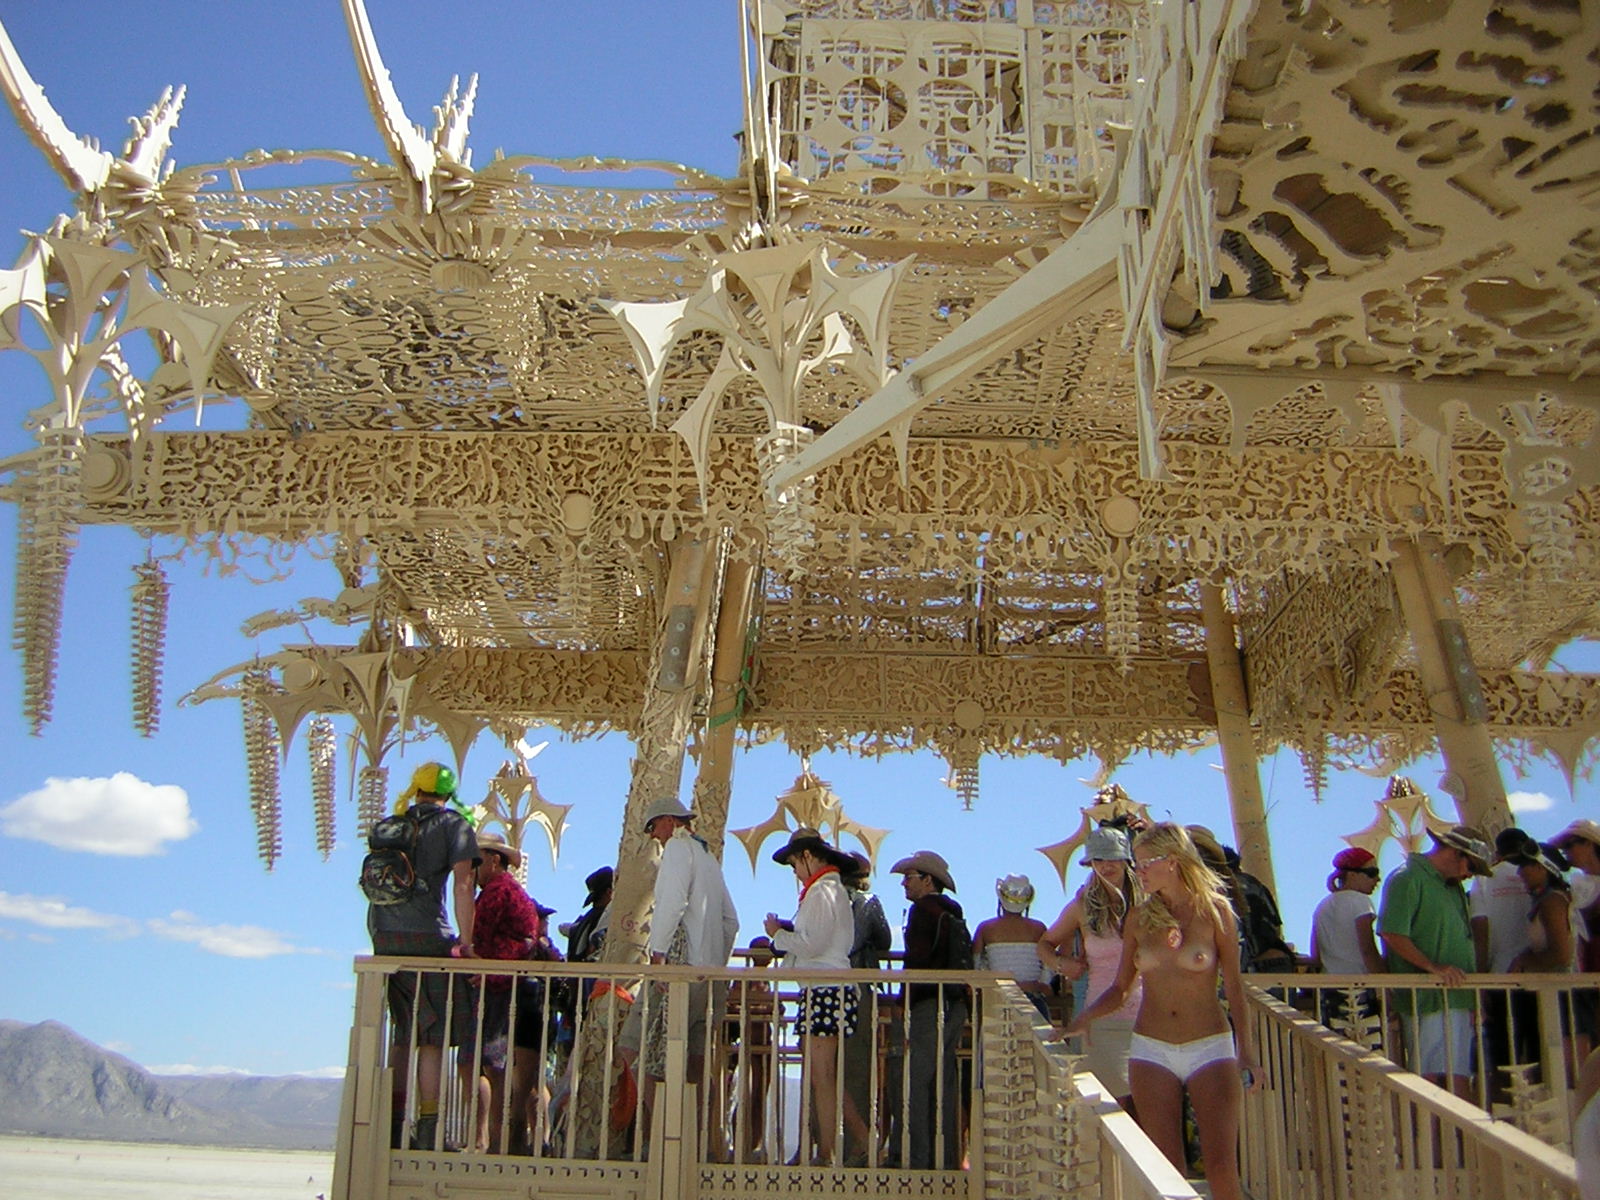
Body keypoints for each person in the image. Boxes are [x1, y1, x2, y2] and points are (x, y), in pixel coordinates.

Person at [1066, 822, 1260, 1200]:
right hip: (1151, 1048)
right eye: (1136, 864)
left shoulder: (1215, 911)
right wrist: (1083, 1019)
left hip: (1210, 1044)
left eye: (1144, 863)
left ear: (1172, 861)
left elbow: (1235, 987)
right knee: (1165, 1169)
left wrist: (1247, 1051)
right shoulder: (1139, 918)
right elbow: (1121, 988)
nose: (1138, 872)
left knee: (1221, 1167)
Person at [366, 762, 480, 1151]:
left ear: (416, 789)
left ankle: (394, 1124)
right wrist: (467, 943)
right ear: (448, 793)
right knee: (431, 1037)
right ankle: (429, 1130)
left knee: (403, 1033)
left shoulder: (393, 825)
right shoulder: (454, 825)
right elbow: (463, 886)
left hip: (383, 934)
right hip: (427, 936)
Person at [620, 797, 739, 1147]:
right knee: (695, 1062)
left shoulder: (677, 848)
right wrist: (714, 961)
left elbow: (671, 903)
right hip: (709, 975)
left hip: (678, 969)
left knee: (639, 1052)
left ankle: (664, 1143)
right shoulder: (707, 857)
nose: (653, 836)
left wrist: (658, 956)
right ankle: (699, 1143)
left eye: (653, 827)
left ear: (669, 822)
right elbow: (731, 921)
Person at [765, 827, 871, 1165]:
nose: (795, 872)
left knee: (822, 1075)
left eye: (795, 863)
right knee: (823, 1075)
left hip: (826, 987)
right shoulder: (829, 890)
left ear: (808, 857)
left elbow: (812, 944)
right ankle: (857, 1140)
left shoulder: (823, 891)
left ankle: (830, 1150)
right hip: (825, 987)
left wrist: (778, 935)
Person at [1376, 823, 1492, 1101]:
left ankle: (1458, 1131)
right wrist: (1433, 968)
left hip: (1458, 997)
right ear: (1455, 852)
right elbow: (1392, 932)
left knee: (1458, 1078)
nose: (1469, 875)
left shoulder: (1452, 887)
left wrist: (1475, 998)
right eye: (1471, 866)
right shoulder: (1407, 878)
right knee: (1429, 1081)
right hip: (1427, 999)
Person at [1039, 826, 1143, 1110]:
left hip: (1151, 1018)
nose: (1106, 866)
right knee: (1113, 1109)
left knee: (1149, 1112)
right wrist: (1062, 965)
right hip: (1101, 1018)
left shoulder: (1149, 902)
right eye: (1098, 859)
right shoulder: (1082, 906)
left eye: (1113, 858)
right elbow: (1045, 944)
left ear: (1126, 860)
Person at [890, 849, 969, 1170]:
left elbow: (918, 960)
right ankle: (946, 1159)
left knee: (915, 1081)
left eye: (910, 877)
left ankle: (915, 1159)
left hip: (929, 1004)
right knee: (943, 1082)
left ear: (927, 880)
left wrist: (902, 1001)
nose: (904, 883)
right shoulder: (952, 912)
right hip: (954, 1003)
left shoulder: (923, 911)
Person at [468, 833, 545, 1154]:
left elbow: (478, 937)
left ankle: (500, 1141)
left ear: (494, 860)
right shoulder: (509, 891)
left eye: (476, 861)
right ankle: (512, 1140)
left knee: (495, 1067)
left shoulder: (497, 892)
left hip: (504, 988)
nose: (472, 869)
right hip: (516, 987)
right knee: (516, 1073)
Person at [1471, 828, 1539, 1095]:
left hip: (1499, 976)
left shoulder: (1484, 879)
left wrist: (1480, 979)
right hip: (1538, 974)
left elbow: (1480, 929)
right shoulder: (1536, 875)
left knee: (1503, 1056)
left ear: (1497, 852)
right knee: (1538, 1052)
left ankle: (1505, 1108)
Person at [843, 852, 891, 1157]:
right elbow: (883, 939)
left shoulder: (826, 899)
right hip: (859, 986)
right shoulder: (868, 902)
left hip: (827, 984)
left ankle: (820, 1143)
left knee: (822, 1069)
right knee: (858, 1069)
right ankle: (855, 1148)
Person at [1309, 846, 1385, 1031]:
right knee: (1368, 1044)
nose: (1377, 879)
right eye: (1371, 873)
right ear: (1351, 875)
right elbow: (1367, 949)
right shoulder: (1360, 902)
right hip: (1358, 988)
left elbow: (1316, 955)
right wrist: (1385, 984)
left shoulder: (1323, 906)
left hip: (1329, 989)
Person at [1552, 819, 1600, 1056]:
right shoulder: (1576, 886)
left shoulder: (1580, 889)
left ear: (1589, 844)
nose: (1566, 853)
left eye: (1570, 845)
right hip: (1582, 974)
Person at [974, 874, 1051, 1017]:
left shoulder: (985, 928)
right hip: (1032, 996)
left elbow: (976, 965)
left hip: (998, 997)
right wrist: (1037, 986)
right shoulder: (1039, 928)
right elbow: (1048, 966)